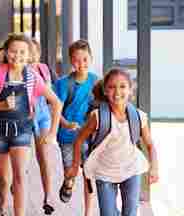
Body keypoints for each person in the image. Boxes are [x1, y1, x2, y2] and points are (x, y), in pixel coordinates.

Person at [0, 33, 62, 216]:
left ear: (28, 55)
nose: (17, 56)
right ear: (6, 52)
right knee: (4, 179)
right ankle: (2, 199)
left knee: (19, 176)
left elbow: (56, 103)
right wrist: (2, 105)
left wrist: (52, 132)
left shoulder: (32, 77)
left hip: (22, 130)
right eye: (13, 51)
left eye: (22, 52)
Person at [65, 68, 159, 216]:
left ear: (130, 90)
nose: (117, 92)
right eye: (111, 87)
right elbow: (79, 140)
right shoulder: (97, 117)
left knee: (130, 212)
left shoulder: (139, 117)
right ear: (105, 91)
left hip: (131, 170)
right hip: (105, 171)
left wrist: (155, 167)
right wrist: (75, 166)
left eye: (122, 86)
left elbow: (150, 145)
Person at [53, 39, 98, 216]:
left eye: (85, 59)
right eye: (77, 60)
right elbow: (55, 111)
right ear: (71, 61)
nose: (81, 64)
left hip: (89, 137)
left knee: (89, 176)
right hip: (67, 136)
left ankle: (88, 212)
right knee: (71, 172)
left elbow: (100, 107)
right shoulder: (63, 84)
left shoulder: (96, 82)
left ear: (91, 58)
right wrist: (65, 124)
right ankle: (68, 182)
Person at [28, 38, 55, 215]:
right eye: (27, 52)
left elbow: (51, 96)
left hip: (43, 116)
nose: (31, 56)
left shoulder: (44, 68)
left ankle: (48, 197)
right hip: (23, 117)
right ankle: (14, 186)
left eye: (34, 52)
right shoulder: (19, 70)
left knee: (44, 157)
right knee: (21, 159)